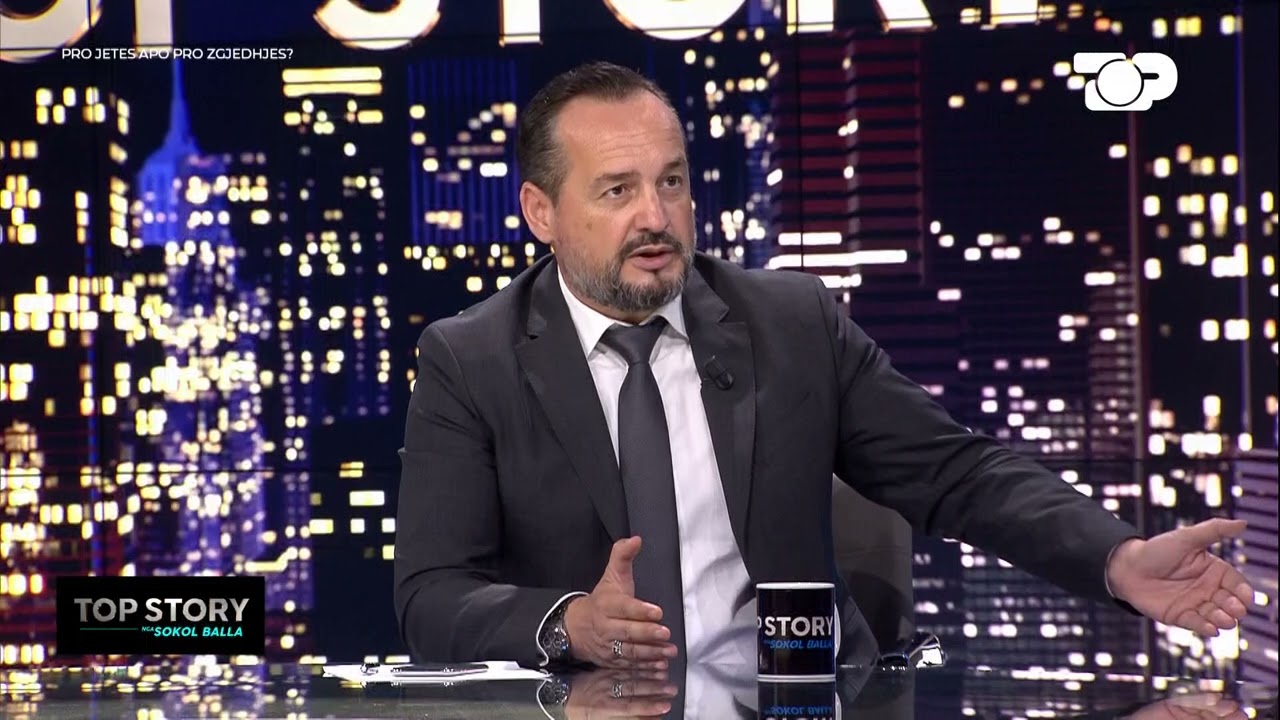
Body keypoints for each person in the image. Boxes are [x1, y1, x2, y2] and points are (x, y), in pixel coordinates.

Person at [393, 60, 1254, 672]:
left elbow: (956, 473)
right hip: (588, 706)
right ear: (540, 212)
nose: (655, 216)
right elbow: (431, 595)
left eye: (673, 182)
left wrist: (1117, 558)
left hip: (800, 700)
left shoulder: (789, 322)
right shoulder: (471, 359)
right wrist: (569, 622)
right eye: (617, 190)